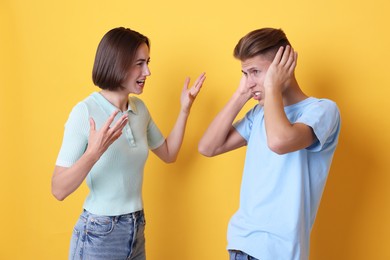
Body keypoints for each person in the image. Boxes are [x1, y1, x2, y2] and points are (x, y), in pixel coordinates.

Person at [51, 27, 206, 260]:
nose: (148, 71)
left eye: (148, 62)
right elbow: (58, 189)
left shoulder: (139, 109)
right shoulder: (85, 112)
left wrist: (185, 109)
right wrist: (94, 152)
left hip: (136, 227)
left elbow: (169, 153)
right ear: (118, 64)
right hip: (99, 233)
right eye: (140, 64)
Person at [198, 28, 340, 260]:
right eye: (245, 73)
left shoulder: (322, 110)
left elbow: (279, 141)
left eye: (255, 72)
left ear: (283, 66)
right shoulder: (259, 115)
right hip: (242, 246)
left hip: (280, 253)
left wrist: (272, 85)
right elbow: (208, 147)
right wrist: (241, 94)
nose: (249, 81)